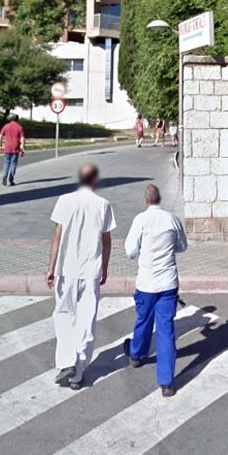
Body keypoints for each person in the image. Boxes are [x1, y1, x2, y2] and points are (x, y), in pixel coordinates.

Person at [46, 163, 116, 389]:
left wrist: (51, 267)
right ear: (95, 180)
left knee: (64, 314)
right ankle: (77, 372)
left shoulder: (64, 200)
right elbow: (107, 241)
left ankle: (67, 362)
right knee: (86, 319)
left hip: (66, 268)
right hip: (90, 270)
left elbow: (57, 236)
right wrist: (105, 268)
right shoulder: (103, 204)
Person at [122, 184, 188, 397]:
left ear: (146, 201)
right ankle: (167, 382)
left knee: (143, 320)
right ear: (160, 199)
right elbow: (182, 246)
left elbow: (130, 251)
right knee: (166, 329)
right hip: (168, 283)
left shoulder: (140, 220)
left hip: (147, 282)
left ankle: (136, 353)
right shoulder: (172, 219)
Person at [0, 114, 25, 186]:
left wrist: (0, 145)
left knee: (6, 163)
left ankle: (4, 176)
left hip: (7, 147)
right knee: (13, 164)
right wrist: (22, 148)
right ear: (17, 119)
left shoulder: (6, 126)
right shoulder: (19, 127)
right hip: (15, 148)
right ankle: (11, 180)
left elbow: (0, 136)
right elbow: (22, 138)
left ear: (10, 119)